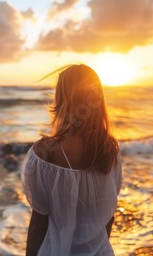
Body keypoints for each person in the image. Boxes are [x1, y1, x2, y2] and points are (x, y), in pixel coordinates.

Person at [21, 64, 123, 255]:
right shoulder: (110, 150)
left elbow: (38, 224)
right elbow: (108, 214)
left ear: (61, 99)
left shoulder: (45, 153)